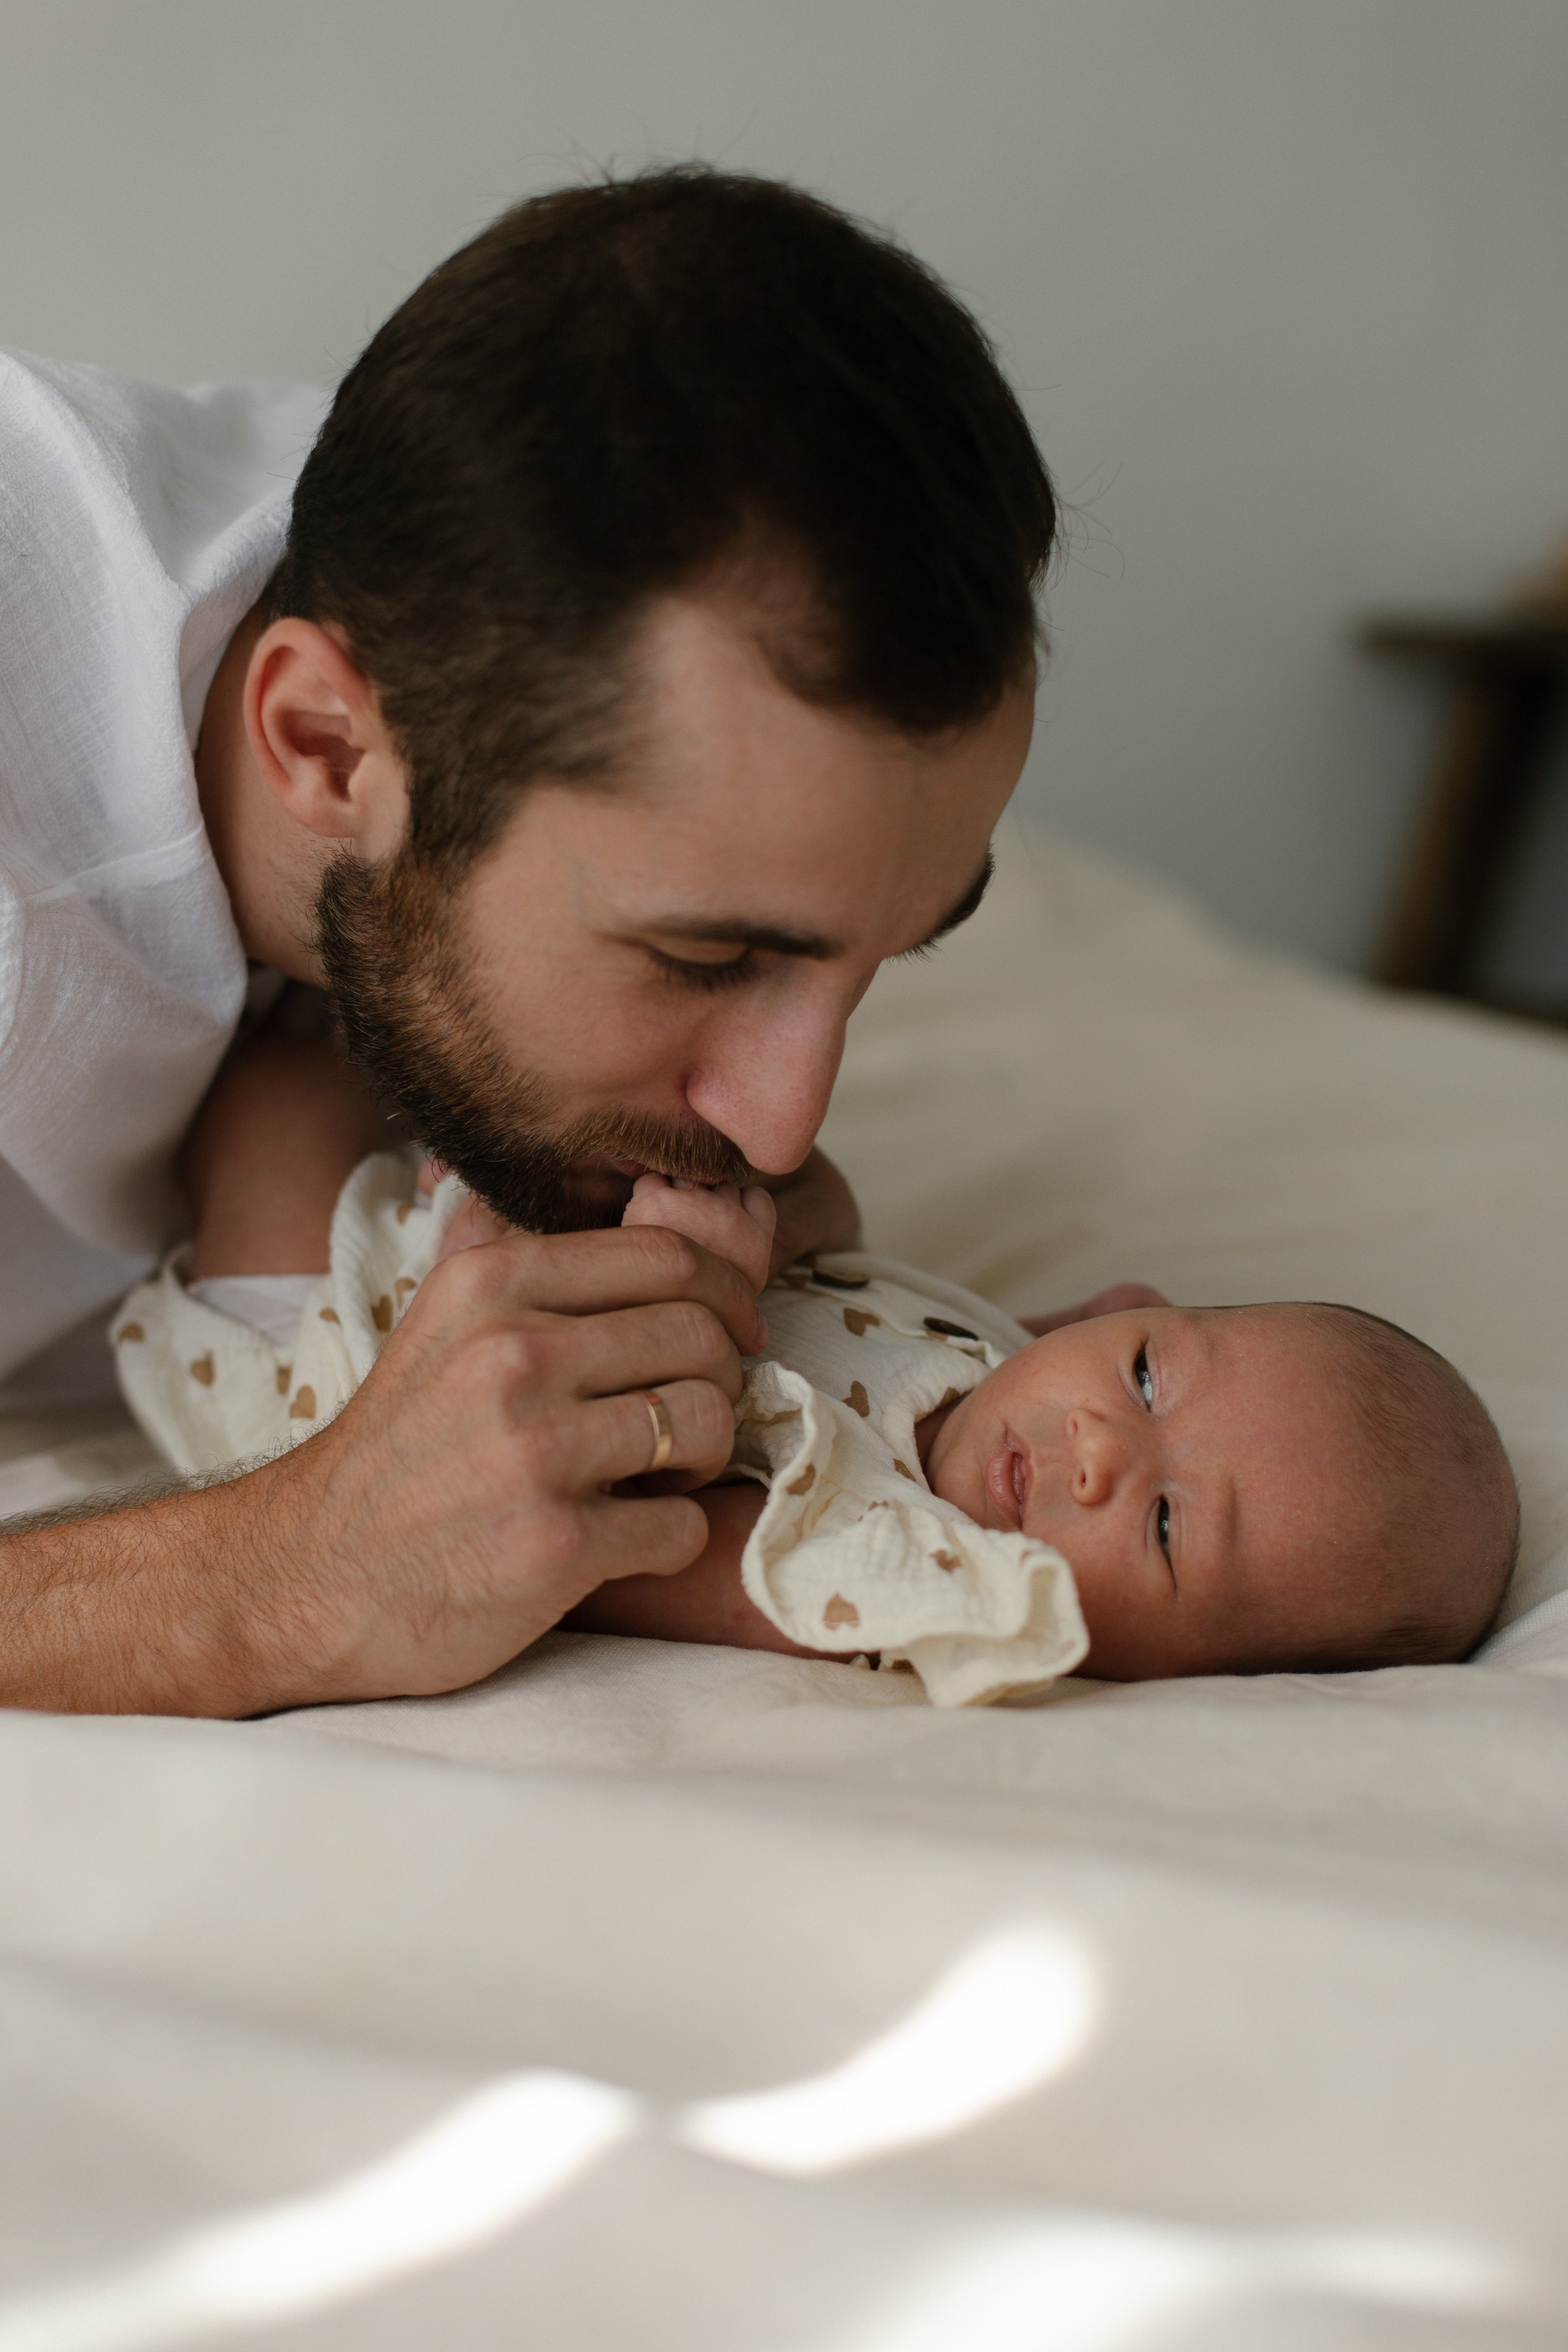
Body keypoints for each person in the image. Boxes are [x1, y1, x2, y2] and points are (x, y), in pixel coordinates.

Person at [0, 167, 1055, 1714]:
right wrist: (272, 1575)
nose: (783, 1123)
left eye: (884, 956)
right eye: (703, 961)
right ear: (326, 747)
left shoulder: (494, 569)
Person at [115, 1082, 1520, 1703]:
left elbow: (619, 1554)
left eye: (1160, 1527)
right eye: (1145, 1378)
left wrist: (694, 1319)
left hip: (341, 1382)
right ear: (1120, 1312)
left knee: (273, 1103)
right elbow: (849, 1254)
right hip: (470, 1264)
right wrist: (757, 1214)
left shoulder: (905, 1570)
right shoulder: (995, 1363)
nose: (1096, 1447)